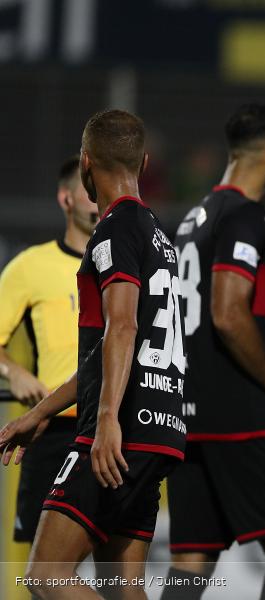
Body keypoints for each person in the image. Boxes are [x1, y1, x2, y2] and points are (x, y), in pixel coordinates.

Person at [0, 109, 188, 600]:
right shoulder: (158, 235)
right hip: (158, 429)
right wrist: (42, 412)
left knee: (44, 576)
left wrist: (105, 420)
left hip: (119, 430)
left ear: (86, 164)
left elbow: (122, 327)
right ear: (144, 162)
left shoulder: (114, 231)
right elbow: (107, 348)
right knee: (124, 589)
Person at [164, 104, 265, 600]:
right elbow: (229, 314)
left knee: (190, 565)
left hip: (189, 418)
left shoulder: (193, 218)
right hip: (242, 417)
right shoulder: (246, 216)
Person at [0, 156, 97, 549]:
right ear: (65, 199)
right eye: (87, 193)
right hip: (53, 429)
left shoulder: (126, 264)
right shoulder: (31, 265)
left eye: (100, 192)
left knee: (114, 570)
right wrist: (14, 372)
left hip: (114, 428)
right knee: (45, 574)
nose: (97, 201)